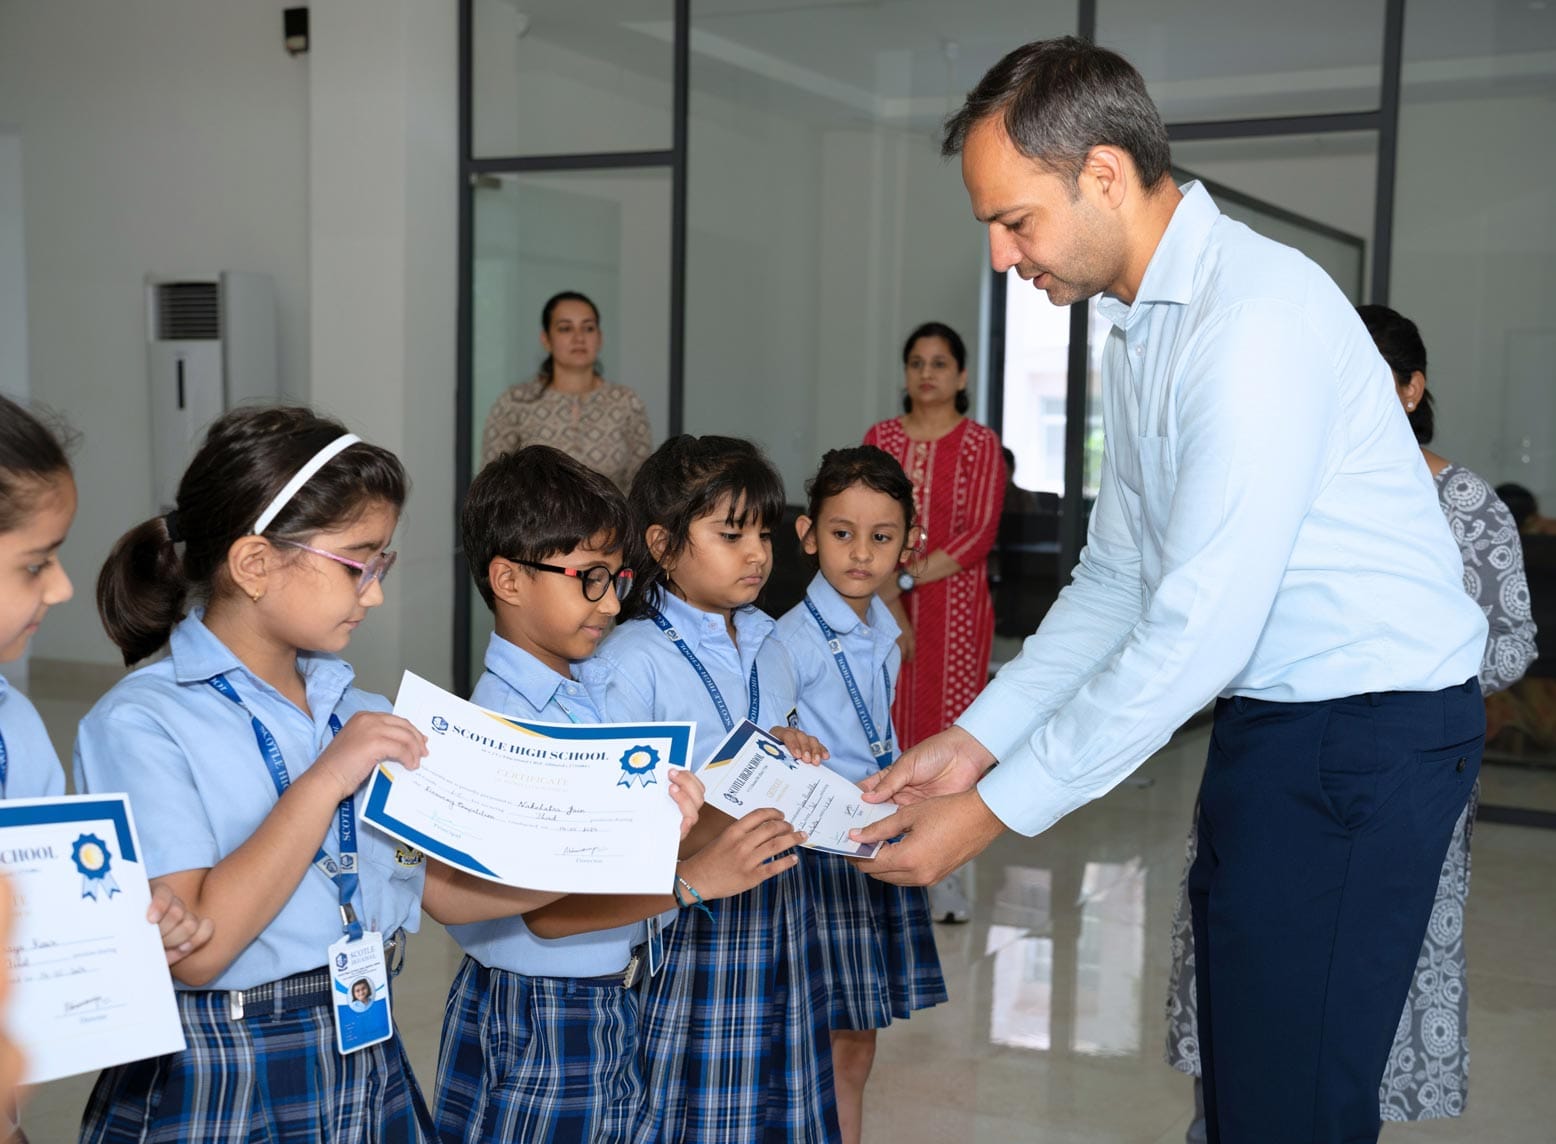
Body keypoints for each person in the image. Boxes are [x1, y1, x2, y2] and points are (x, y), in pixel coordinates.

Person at [853, 38, 1487, 1144]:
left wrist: (987, 816)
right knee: (1240, 1074)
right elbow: (1119, 578)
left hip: (1364, 731)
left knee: (1290, 1102)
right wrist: (974, 739)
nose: (1003, 259)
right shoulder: (1144, 325)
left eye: (1014, 221)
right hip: (1280, 721)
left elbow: (1194, 632)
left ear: (1101, 174)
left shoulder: (1249, 321)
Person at [73, 406, 565, 1143]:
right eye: (358, 562)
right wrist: (326, 779)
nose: (374, 593)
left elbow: (448, 895)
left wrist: (628, 843)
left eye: (383, 563)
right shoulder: (142, 723)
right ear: (255, 564)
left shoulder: (357, 712)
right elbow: (199, 950)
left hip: (362, 1044)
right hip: (223, 1061)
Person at [1163, 304, 1538, 1134]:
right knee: (1252, 985)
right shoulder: (1290, 477)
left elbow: (1511, 639)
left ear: (1413, 389)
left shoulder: (1464, 500)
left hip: (1400, 769)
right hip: (1274, 762)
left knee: (1359, 994)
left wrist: (1404, 670)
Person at [433, 444, 803, 1144]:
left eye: (617, 579)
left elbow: (623, 851)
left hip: (607, 990)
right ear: (508, 580)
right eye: (590, 580)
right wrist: (695, 882)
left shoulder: (584, 695)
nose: (610, 603)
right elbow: (551, 912)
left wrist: (722, 808)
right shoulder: (513, 729)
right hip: (542, 1008)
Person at [591, 435, 841, 1144]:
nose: (757, 553)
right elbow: (619, 821)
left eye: (763, 532)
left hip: (779, 903)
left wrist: (791, 751)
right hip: (688, 922)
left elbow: (774, 744)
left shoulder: (773, 643)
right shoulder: (630, 661)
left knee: (775, 1094)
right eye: (731, 535)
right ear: (664, 546)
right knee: (689, 1105)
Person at [0, 396, 214, 1141]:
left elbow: (39, 907)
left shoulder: (14, 726)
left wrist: (127, 928)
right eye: (35, 563)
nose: (60, 588)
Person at [774, 446, 947, 1144]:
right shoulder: (791, 638)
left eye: (882, 537)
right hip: (818, 851)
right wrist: (786, 734)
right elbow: (770, 727)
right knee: (820, 1034)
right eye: (841, 533)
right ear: (808, 535)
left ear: (910, 542)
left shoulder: (882, 629)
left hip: (870, 836)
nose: (861, 554)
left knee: (859, 1034)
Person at [864, 322, 1006, 922]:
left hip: (956, 610)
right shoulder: (881, 438)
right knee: (885, 725)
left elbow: (977, 535)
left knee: (952, 735)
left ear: (962, 376)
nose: (927, 373)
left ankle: (947, 880)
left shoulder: (980, 445)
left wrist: (903, 577)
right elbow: (863, 516)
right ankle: (883, 870)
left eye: (940, 363)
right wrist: (892, 598)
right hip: (878, 607)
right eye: (917, 362)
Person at [480, 291, 653, 491]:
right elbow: (491, 484)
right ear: (546, 339)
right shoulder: (515, 402)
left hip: (611, 521)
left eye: (588, 328)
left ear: (599, 338)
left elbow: (641, 485)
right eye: (565, 328)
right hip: (535, 521)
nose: (578, 338)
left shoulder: (626, 402)